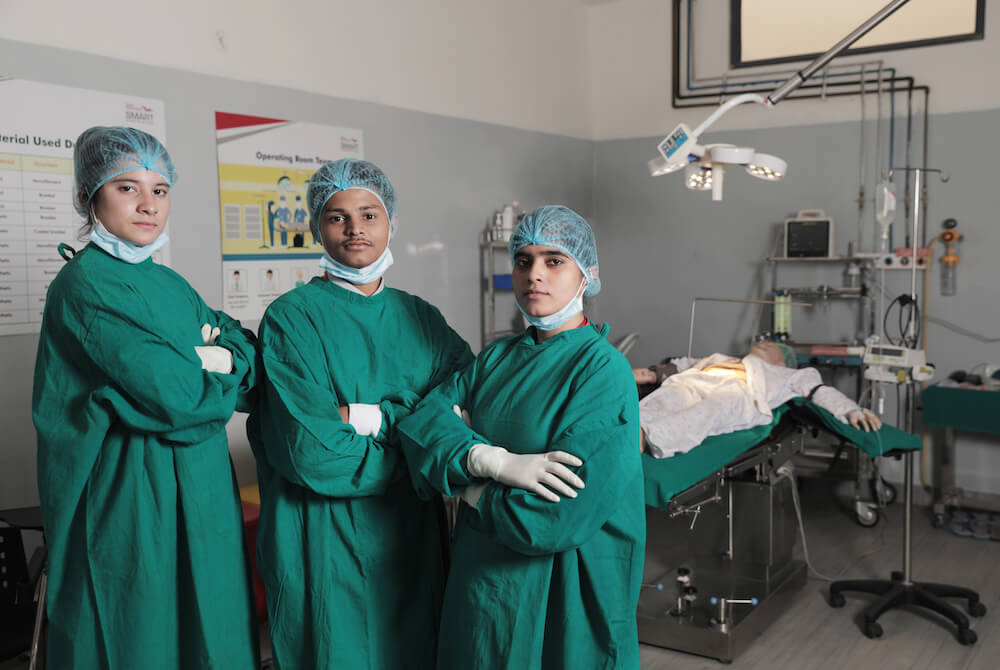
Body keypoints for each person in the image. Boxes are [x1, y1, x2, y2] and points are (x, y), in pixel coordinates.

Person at [32, 126, 259, 669]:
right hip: (131, 491)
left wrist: (210, 359)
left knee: (212, 627)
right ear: (89, 195)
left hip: (203, 487)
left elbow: (248, 356)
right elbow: (180, 396)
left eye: (159, 189)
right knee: (138, 634)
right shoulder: (84, 284)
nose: (148, 204)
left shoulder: (170, 283)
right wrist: (210, 359)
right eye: (127, 187)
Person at [248, 158, 473, 670]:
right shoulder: (292, 319)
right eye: (337, 217)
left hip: (410, 536)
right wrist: (421, 452)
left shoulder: (422, 318)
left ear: (391, 222)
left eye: (369, 215)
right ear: (316, 228)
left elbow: (463, 406)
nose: (355, 229)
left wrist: (366, 417)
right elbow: (313, 452)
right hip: (324, 537)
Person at [398, 205, 645, 669]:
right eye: (523, 260)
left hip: (565, 592)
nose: (534, 274)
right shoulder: (495, 359)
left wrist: (470, 488)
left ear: (587, 274)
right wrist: (488, 461)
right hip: (483, 583)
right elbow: (422, 423)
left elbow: (556, 516)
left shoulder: (602, 371)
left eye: (554, 261)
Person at [637, 341, 883, 458]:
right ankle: (631, 427)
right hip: (696, 381)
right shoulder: (722, 358)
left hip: (741, 395)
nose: (764, 343)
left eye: (772, 347)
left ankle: (646, 437)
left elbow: (819, 391)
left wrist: (850, 410)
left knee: (709, 410)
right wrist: (651, 374)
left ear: (782, 362)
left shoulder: (788, 375)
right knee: (671, 395)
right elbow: (684, 365)